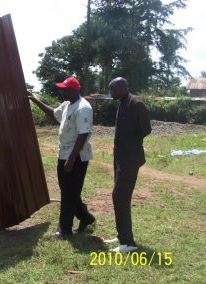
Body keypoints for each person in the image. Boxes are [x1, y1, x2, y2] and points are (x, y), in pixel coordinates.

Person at [28, 76, 95, 236]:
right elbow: (53, 113)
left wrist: (71, 159)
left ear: (73, 90)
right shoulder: (67, 104)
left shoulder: (83, 107)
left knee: (69, 192)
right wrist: (34, 100)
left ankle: (64, 229)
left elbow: (84, 134)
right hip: (64, 154)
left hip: (76, 156)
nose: (62, 92)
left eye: (65, 89)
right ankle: (86, 217)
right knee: (67, 189)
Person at [104, 77, 152, 253]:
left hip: (130, 158)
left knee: (119, 196)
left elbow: (146, 129)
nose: (111, 93)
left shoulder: (135, 103)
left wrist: (131, 143)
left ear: (123, 87)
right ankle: (122, 235)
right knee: (120, 196)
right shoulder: (123, 102)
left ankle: (128, 243)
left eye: (113, 90)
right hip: (120, 157)